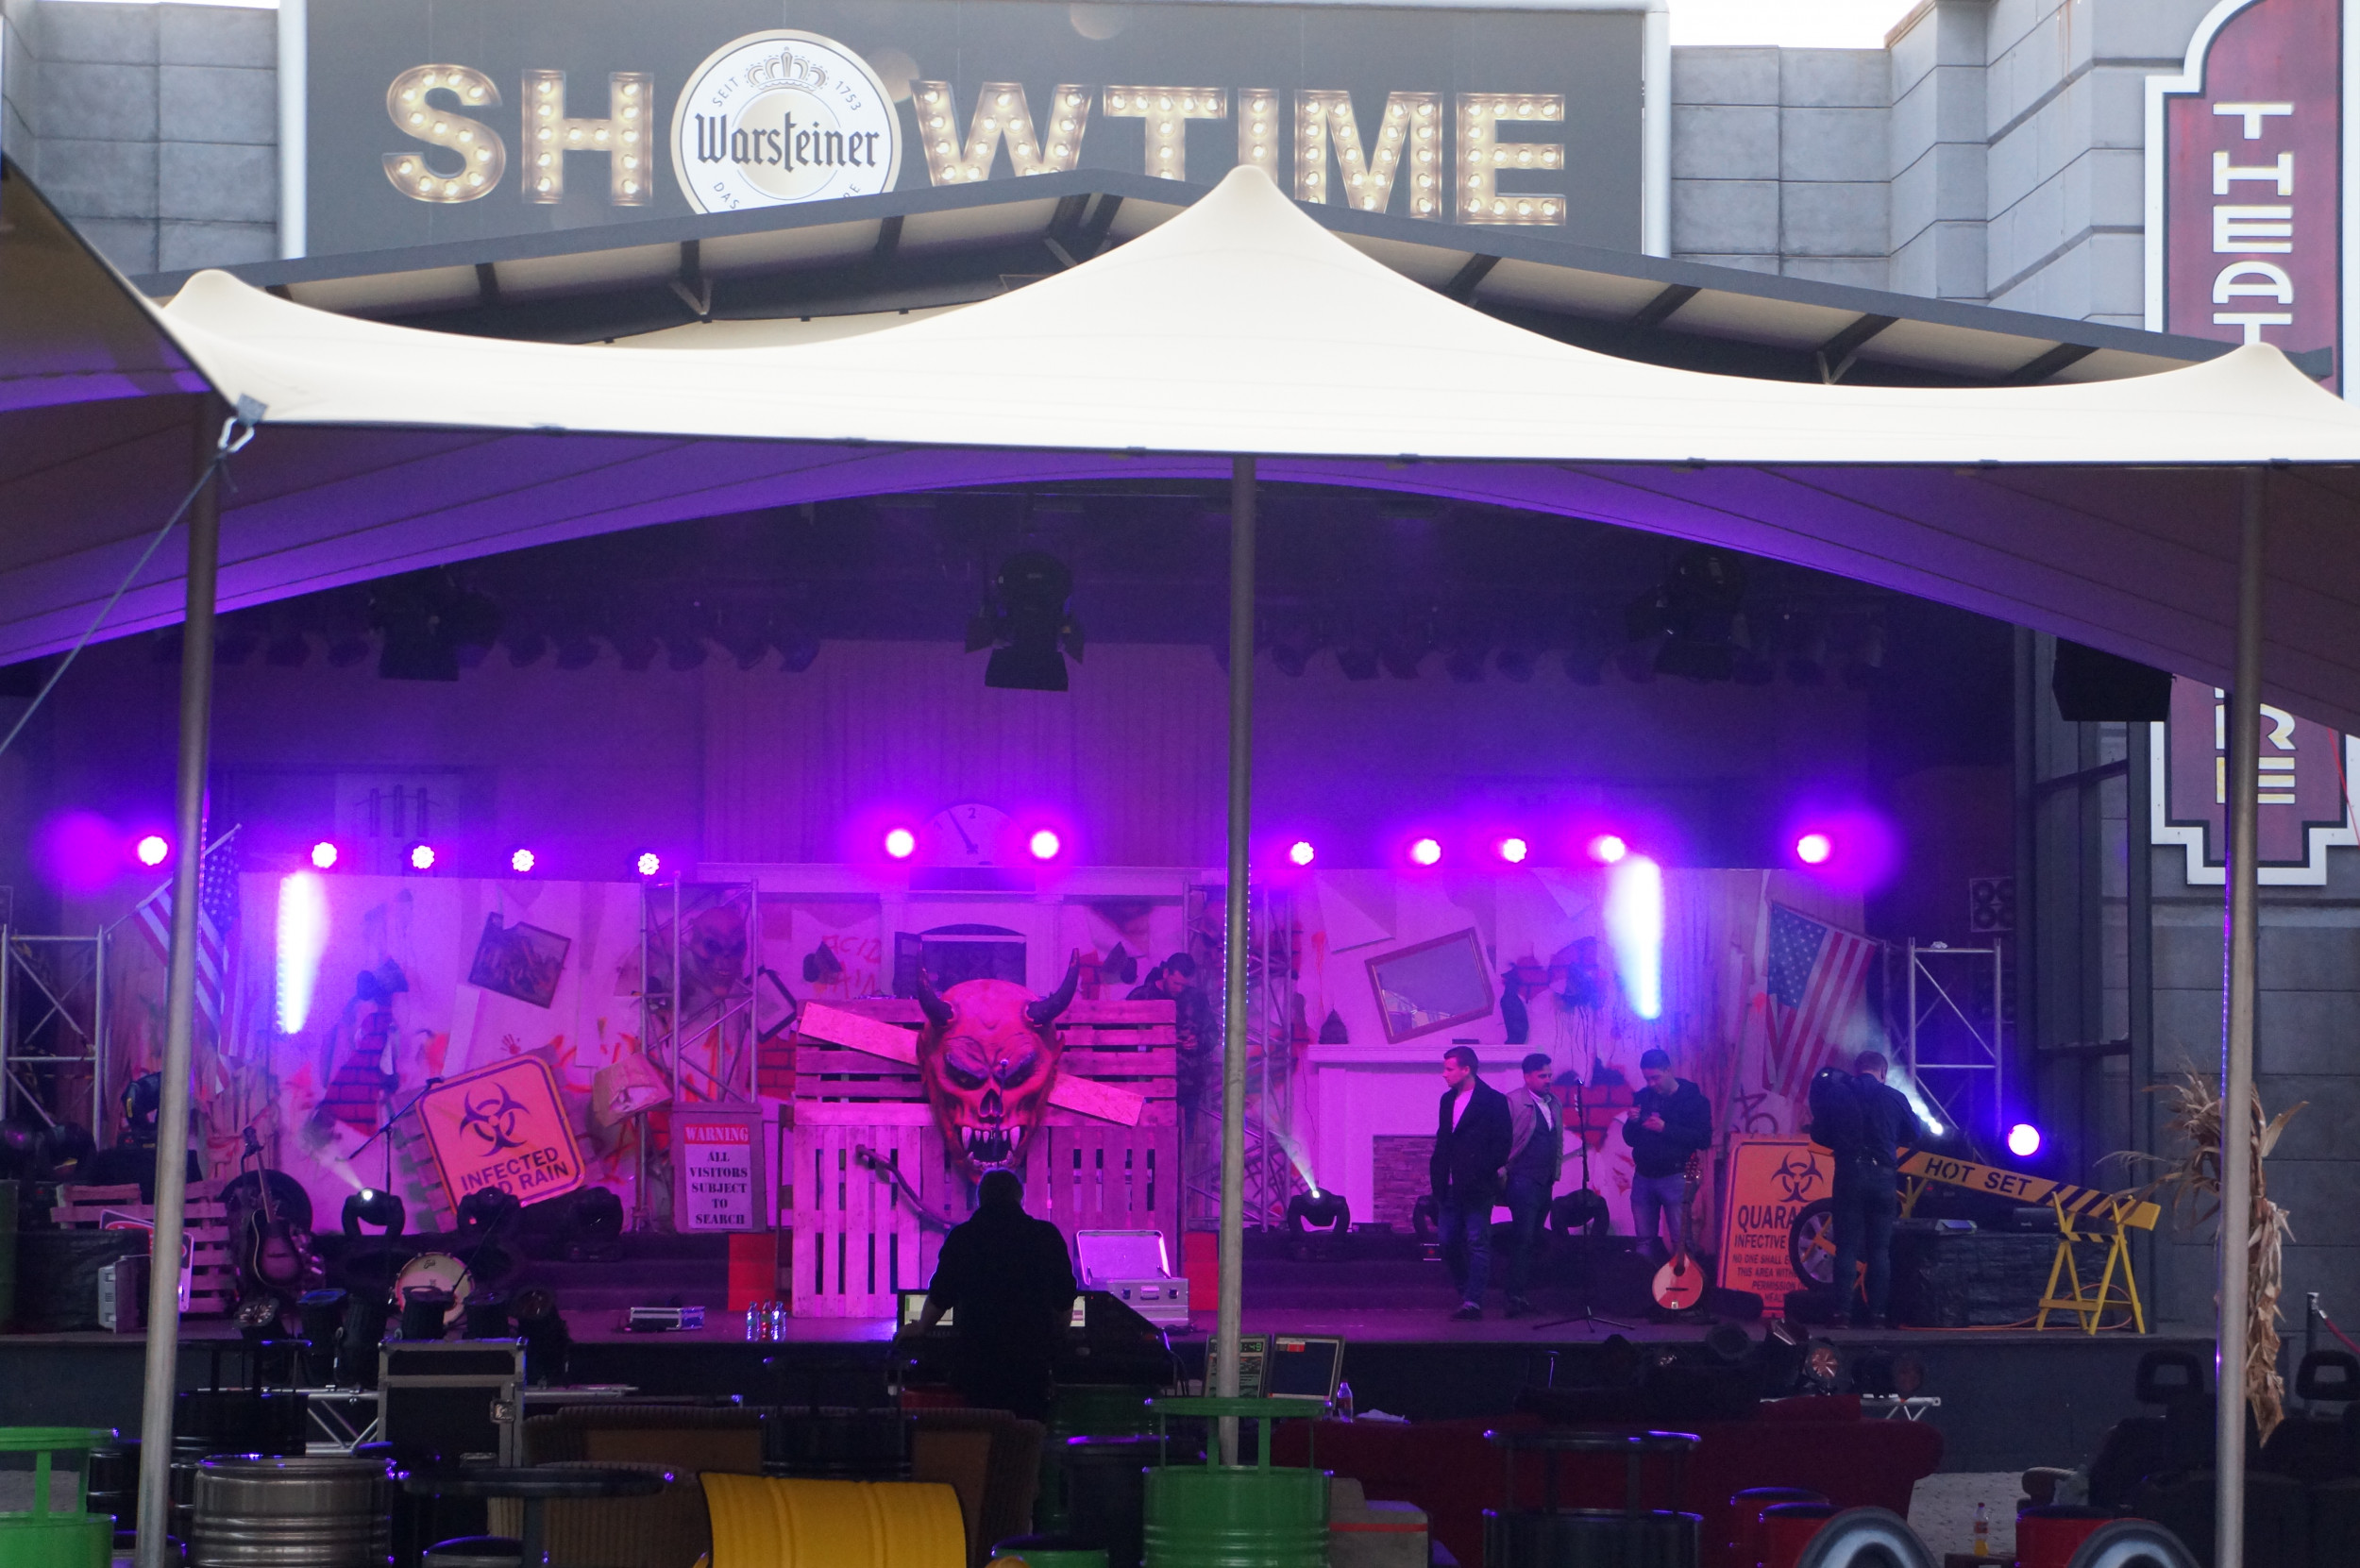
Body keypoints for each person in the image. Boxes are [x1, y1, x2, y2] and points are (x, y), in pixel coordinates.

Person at [917, 1169, 1076, 1419]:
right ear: (1020, 1197)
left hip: (978, 1364)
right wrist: (1056, 1340)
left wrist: (920, 1328)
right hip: (1030, 1365)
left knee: (981, 1433)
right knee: (1027, 1434)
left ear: (980, 1199)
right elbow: (1064, 1299)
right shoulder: (1046, 1235)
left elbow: (940, 1296)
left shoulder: (963, 1237)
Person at [1827, 1051, 1925, 1327]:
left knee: (1846, 1247)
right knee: (1879, 1250)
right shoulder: (1895, 1097)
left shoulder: (1837, 1094)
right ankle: (1878, 1316)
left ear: (1857, 1070)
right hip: (1883, 1177)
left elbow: (1819, 1133)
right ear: (1883, 1072)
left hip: (1849, 1175)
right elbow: (1915, 1134)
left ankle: (1842, 1315)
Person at [1430, 1045, 1511, 1321]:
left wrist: (1482, 1170)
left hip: (1477, 1184)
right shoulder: (1447, 1100)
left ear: (1466, 1070)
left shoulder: (1493, 1101)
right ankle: (1467, 1291)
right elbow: (1444, 1139)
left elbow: (1502, 1143)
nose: (1444, 1074)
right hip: (1450, 1183)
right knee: (1446, 1241)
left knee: (1477, 1241)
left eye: (1449, 1069)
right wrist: (1438, 1173)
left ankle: (1473, 1300)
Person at [1621, 1048, 1711, 1263]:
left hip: (1676, 1176)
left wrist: (1665, 1129)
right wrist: (1632, 1122)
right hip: (1644, 1176)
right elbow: (1630, 1139)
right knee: (1644, 1240)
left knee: (1682, 1242)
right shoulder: (1643, 1097)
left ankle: (1684, 1282)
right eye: (1647, 1079)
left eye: (1656, 1078)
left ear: (1669, 1070)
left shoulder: (1693, 1099)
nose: (1652, 1084)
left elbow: (1703, 1139)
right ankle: (1645, 1280)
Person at [1499, 1052, 1564, 1318]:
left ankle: (1521, 1294)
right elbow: (1504, 1138)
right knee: (1523, 1238)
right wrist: (1503, 1169)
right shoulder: (1513, 1101)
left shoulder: (1554, 1103)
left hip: (1544, 1180)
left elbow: (1557, 1140)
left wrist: (1556, 1172)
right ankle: (1513, 1296)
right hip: (1522, 1178)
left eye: (1549, 1075)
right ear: (1527, 1077)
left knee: (1532, 1238)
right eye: (1542, 1076)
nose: (1548, 1080)